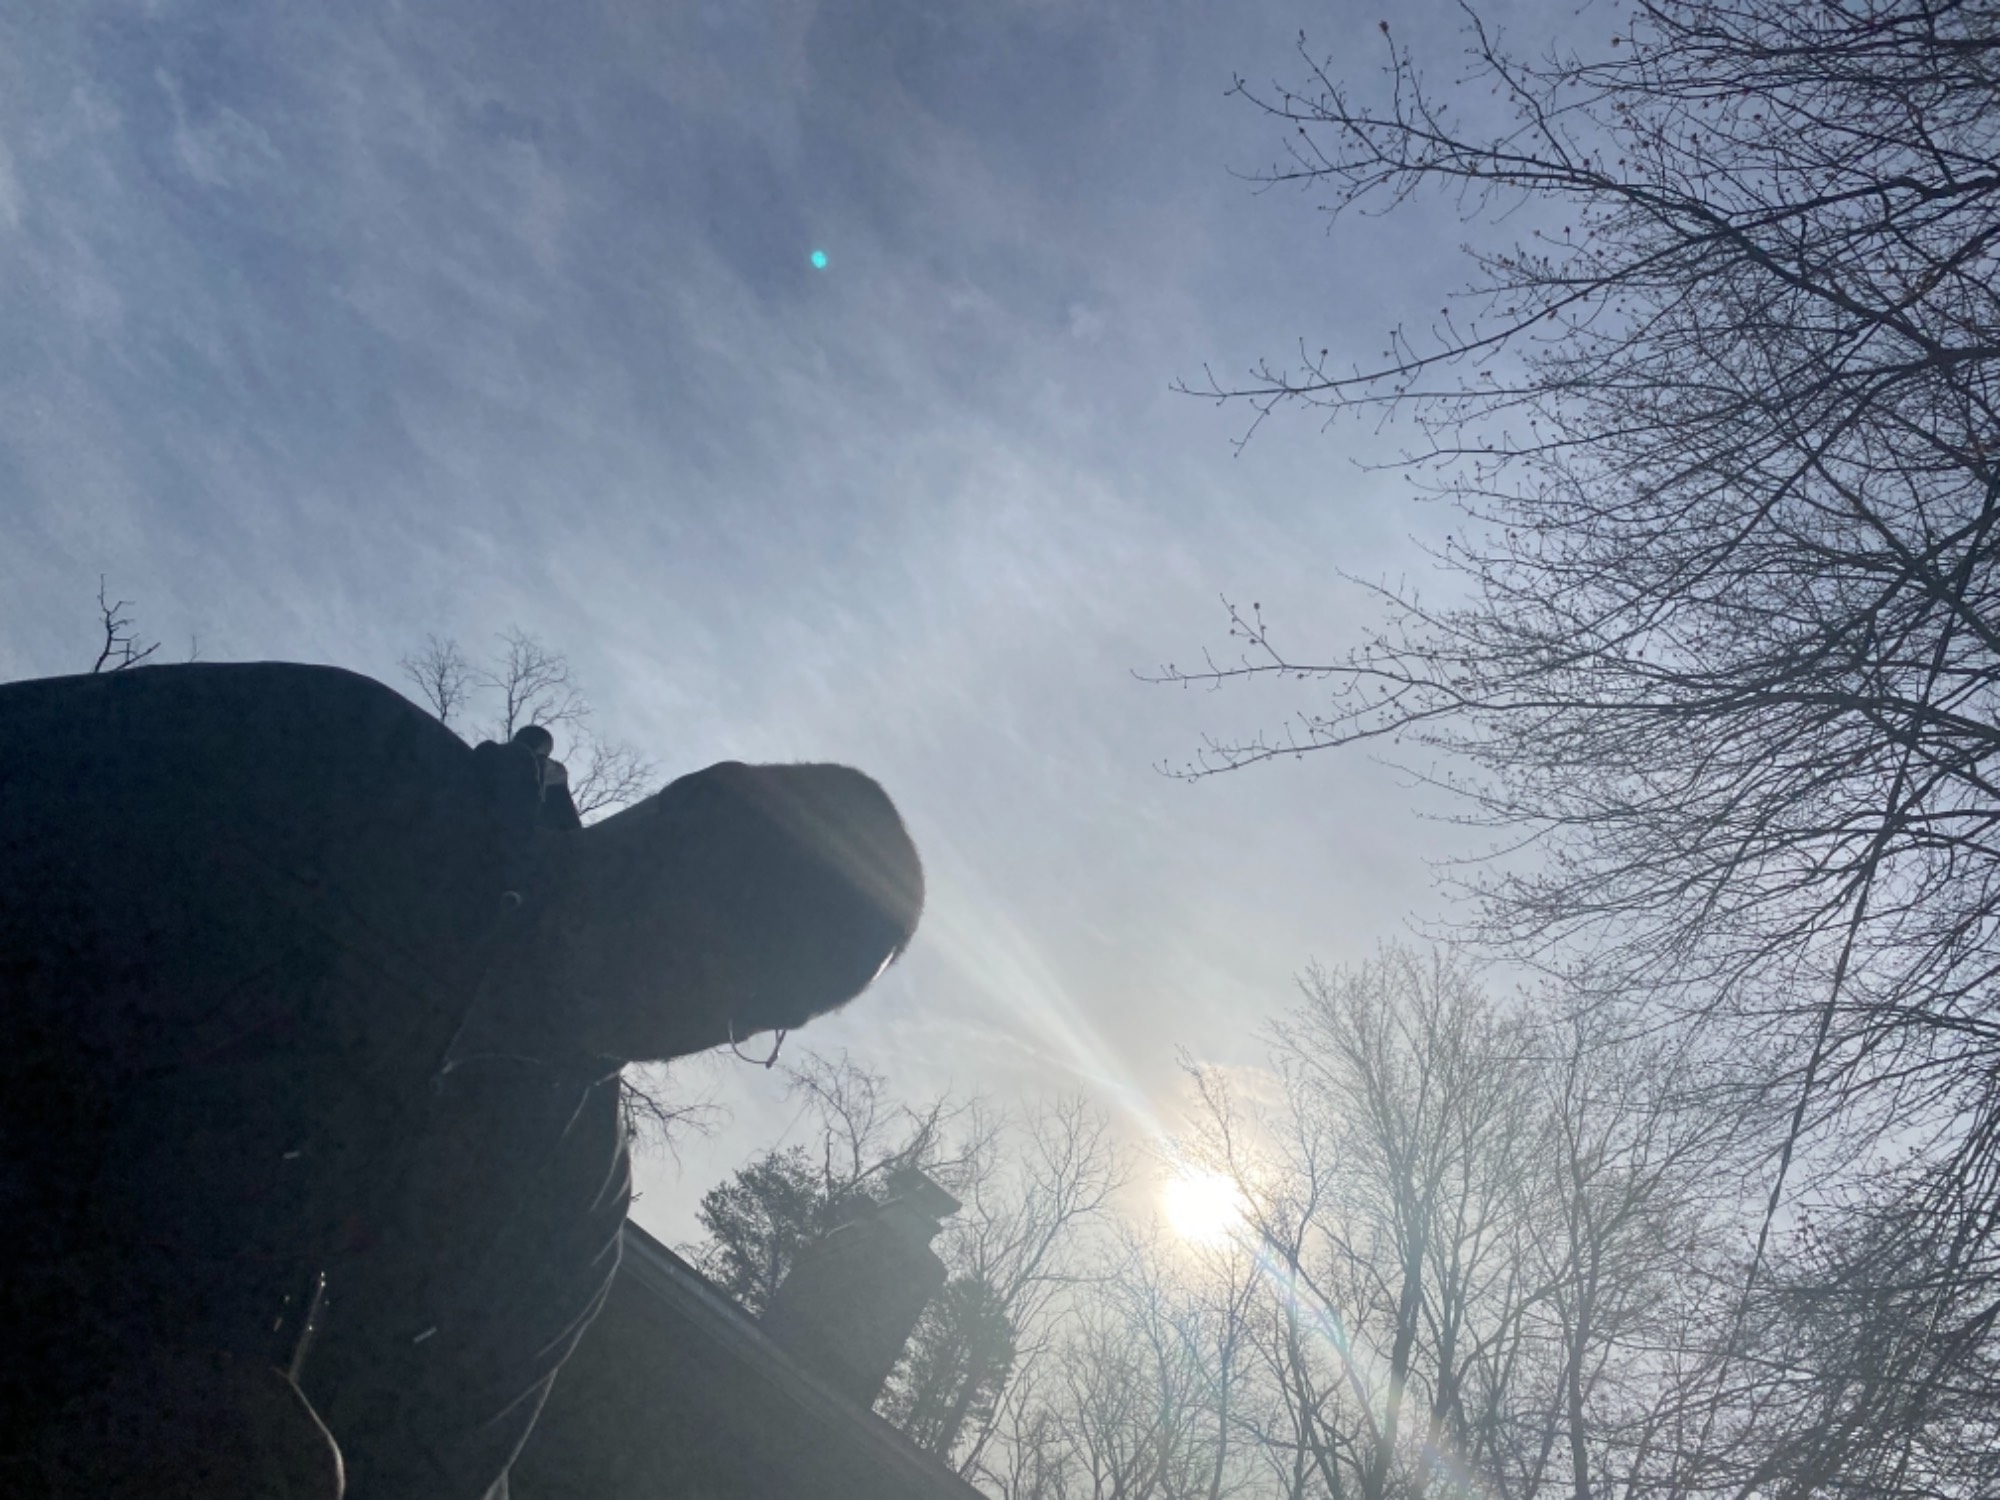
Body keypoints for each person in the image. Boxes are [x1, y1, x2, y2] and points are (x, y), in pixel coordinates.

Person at [0, 662, 923, 1499]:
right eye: (742, 932)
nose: (703, 1002)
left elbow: (435, 1470)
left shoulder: (567, 1208)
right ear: (685, 807)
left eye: (755, 1013)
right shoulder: (327, 756)